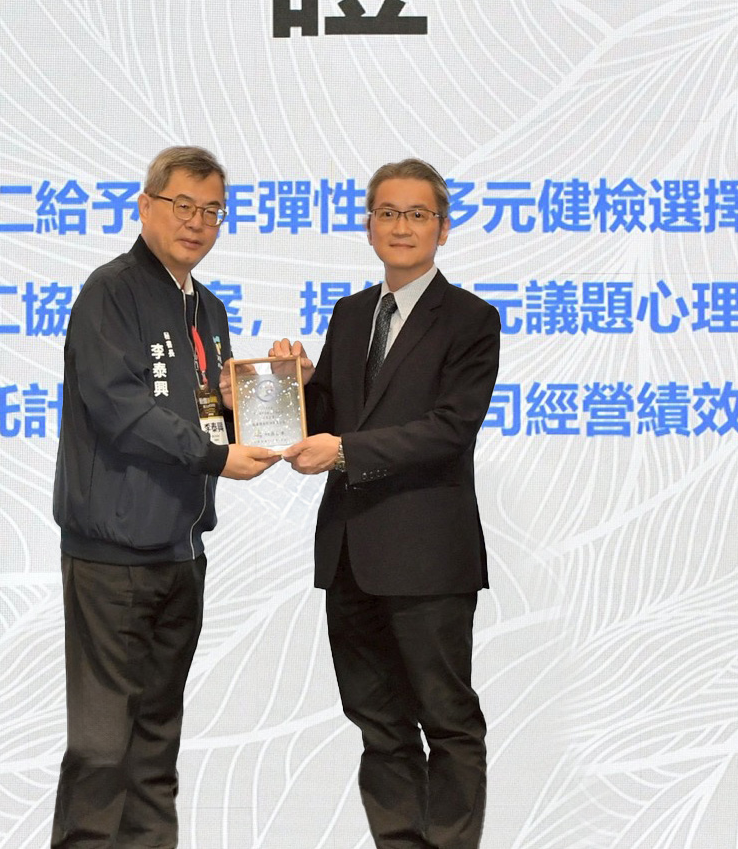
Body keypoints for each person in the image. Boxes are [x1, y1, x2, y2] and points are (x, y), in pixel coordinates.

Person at [51, 145, 280, 848]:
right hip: (112, 555)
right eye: (184, 205)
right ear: (146, 206)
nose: (198, 222)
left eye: (213, 210)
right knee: (101, 748)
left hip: (181, 553)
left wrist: (274, 389)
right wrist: (215, 455)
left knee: (155, 749)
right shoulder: (111, 292)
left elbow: (210, 413)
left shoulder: (207, 308)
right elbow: (121, 410)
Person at [275, 158, 502, 849]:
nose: (402, 227)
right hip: (350, 553)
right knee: (379, 724)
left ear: (443, 228)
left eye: (417, 214)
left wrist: (344, 449)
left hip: (428, 557)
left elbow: (448, 429)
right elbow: (328, 417)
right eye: (388, 213)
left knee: (448, 720)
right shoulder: (350, 315)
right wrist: (293, 384)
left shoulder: (470, 319)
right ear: (368, 224)